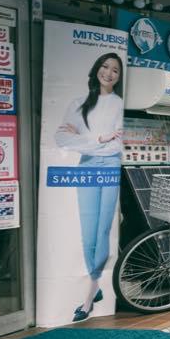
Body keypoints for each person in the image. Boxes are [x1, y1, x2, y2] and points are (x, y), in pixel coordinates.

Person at [55, 52, 124, 323]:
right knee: (88, 232)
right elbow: (61, 137)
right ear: (96, 69)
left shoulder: (119, 104)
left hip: (109, 167)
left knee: (103, 229)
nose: (108, 73)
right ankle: (93, 285)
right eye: (105, 67)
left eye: (115, 70)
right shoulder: (78, 102)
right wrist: (99, 138)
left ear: (119, 77)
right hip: (86, 167)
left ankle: (89, 293)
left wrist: (88, 140)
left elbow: (117, 144)